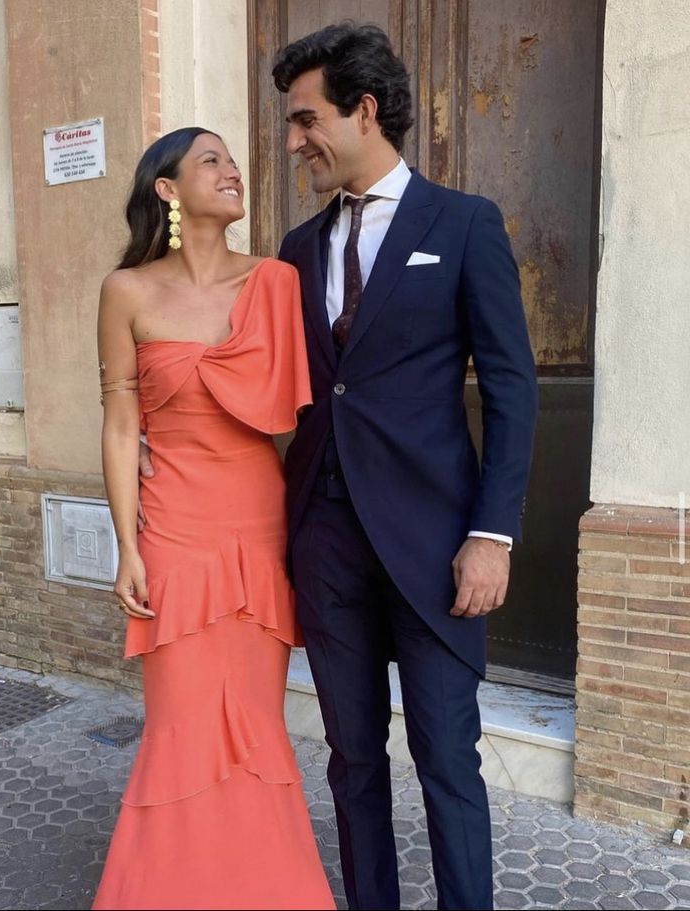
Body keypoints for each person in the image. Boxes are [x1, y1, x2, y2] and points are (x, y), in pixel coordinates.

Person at [273, 23, 539, 911]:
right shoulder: (295, 251)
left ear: (364, 109)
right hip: (328, 543)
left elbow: (510, 389)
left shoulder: (463, 224)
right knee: (351, 759)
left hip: (435, 551)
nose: (293, 140)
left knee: (445, 761)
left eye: (306, 118)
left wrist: (491, 534)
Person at [92, 127, 335, 911]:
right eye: (212, 161)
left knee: (254, 721)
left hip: (256, 522)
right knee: (181, 723)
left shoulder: (276, 279)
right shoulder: (125, 291)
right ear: (167, 189)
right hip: (170, 526)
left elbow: (312, 410)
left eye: (233, 162)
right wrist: (125, 544)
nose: (234, 172)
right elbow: (120, 422)